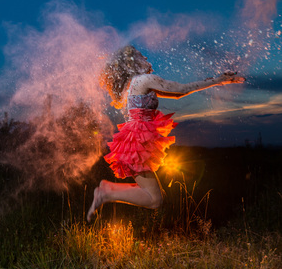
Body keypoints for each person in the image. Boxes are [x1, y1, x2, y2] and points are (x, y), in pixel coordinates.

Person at [87, 45, 245, 222]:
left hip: (133, 141)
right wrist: (217, 81)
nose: (146, 59)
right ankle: (106, 194)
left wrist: (216, 81)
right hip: (138, 142)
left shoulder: (130, 85)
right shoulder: (144, 80)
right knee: (154, 200)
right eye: (141, 56)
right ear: (132, 62)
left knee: (154, 195)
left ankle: (108, 190)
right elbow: (181, 89)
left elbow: (177, 95)